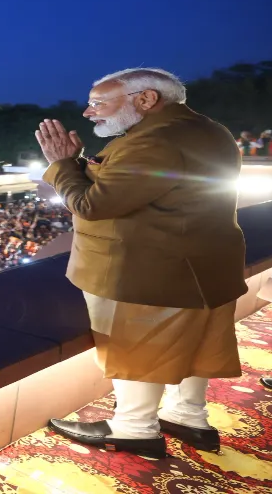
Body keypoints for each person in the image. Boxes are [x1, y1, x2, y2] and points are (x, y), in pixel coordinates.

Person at [37, 67, 245, 457]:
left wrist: (63, 165)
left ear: (146, 99)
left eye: (99, 102)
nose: (88, 112)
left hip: (148, 268)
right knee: (193, 346)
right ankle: (188, 416)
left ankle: (135, 428)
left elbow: (91, 204)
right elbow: (131, 185)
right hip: (204, 264)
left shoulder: (154, 141)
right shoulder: (208, 129)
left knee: (138, 348)